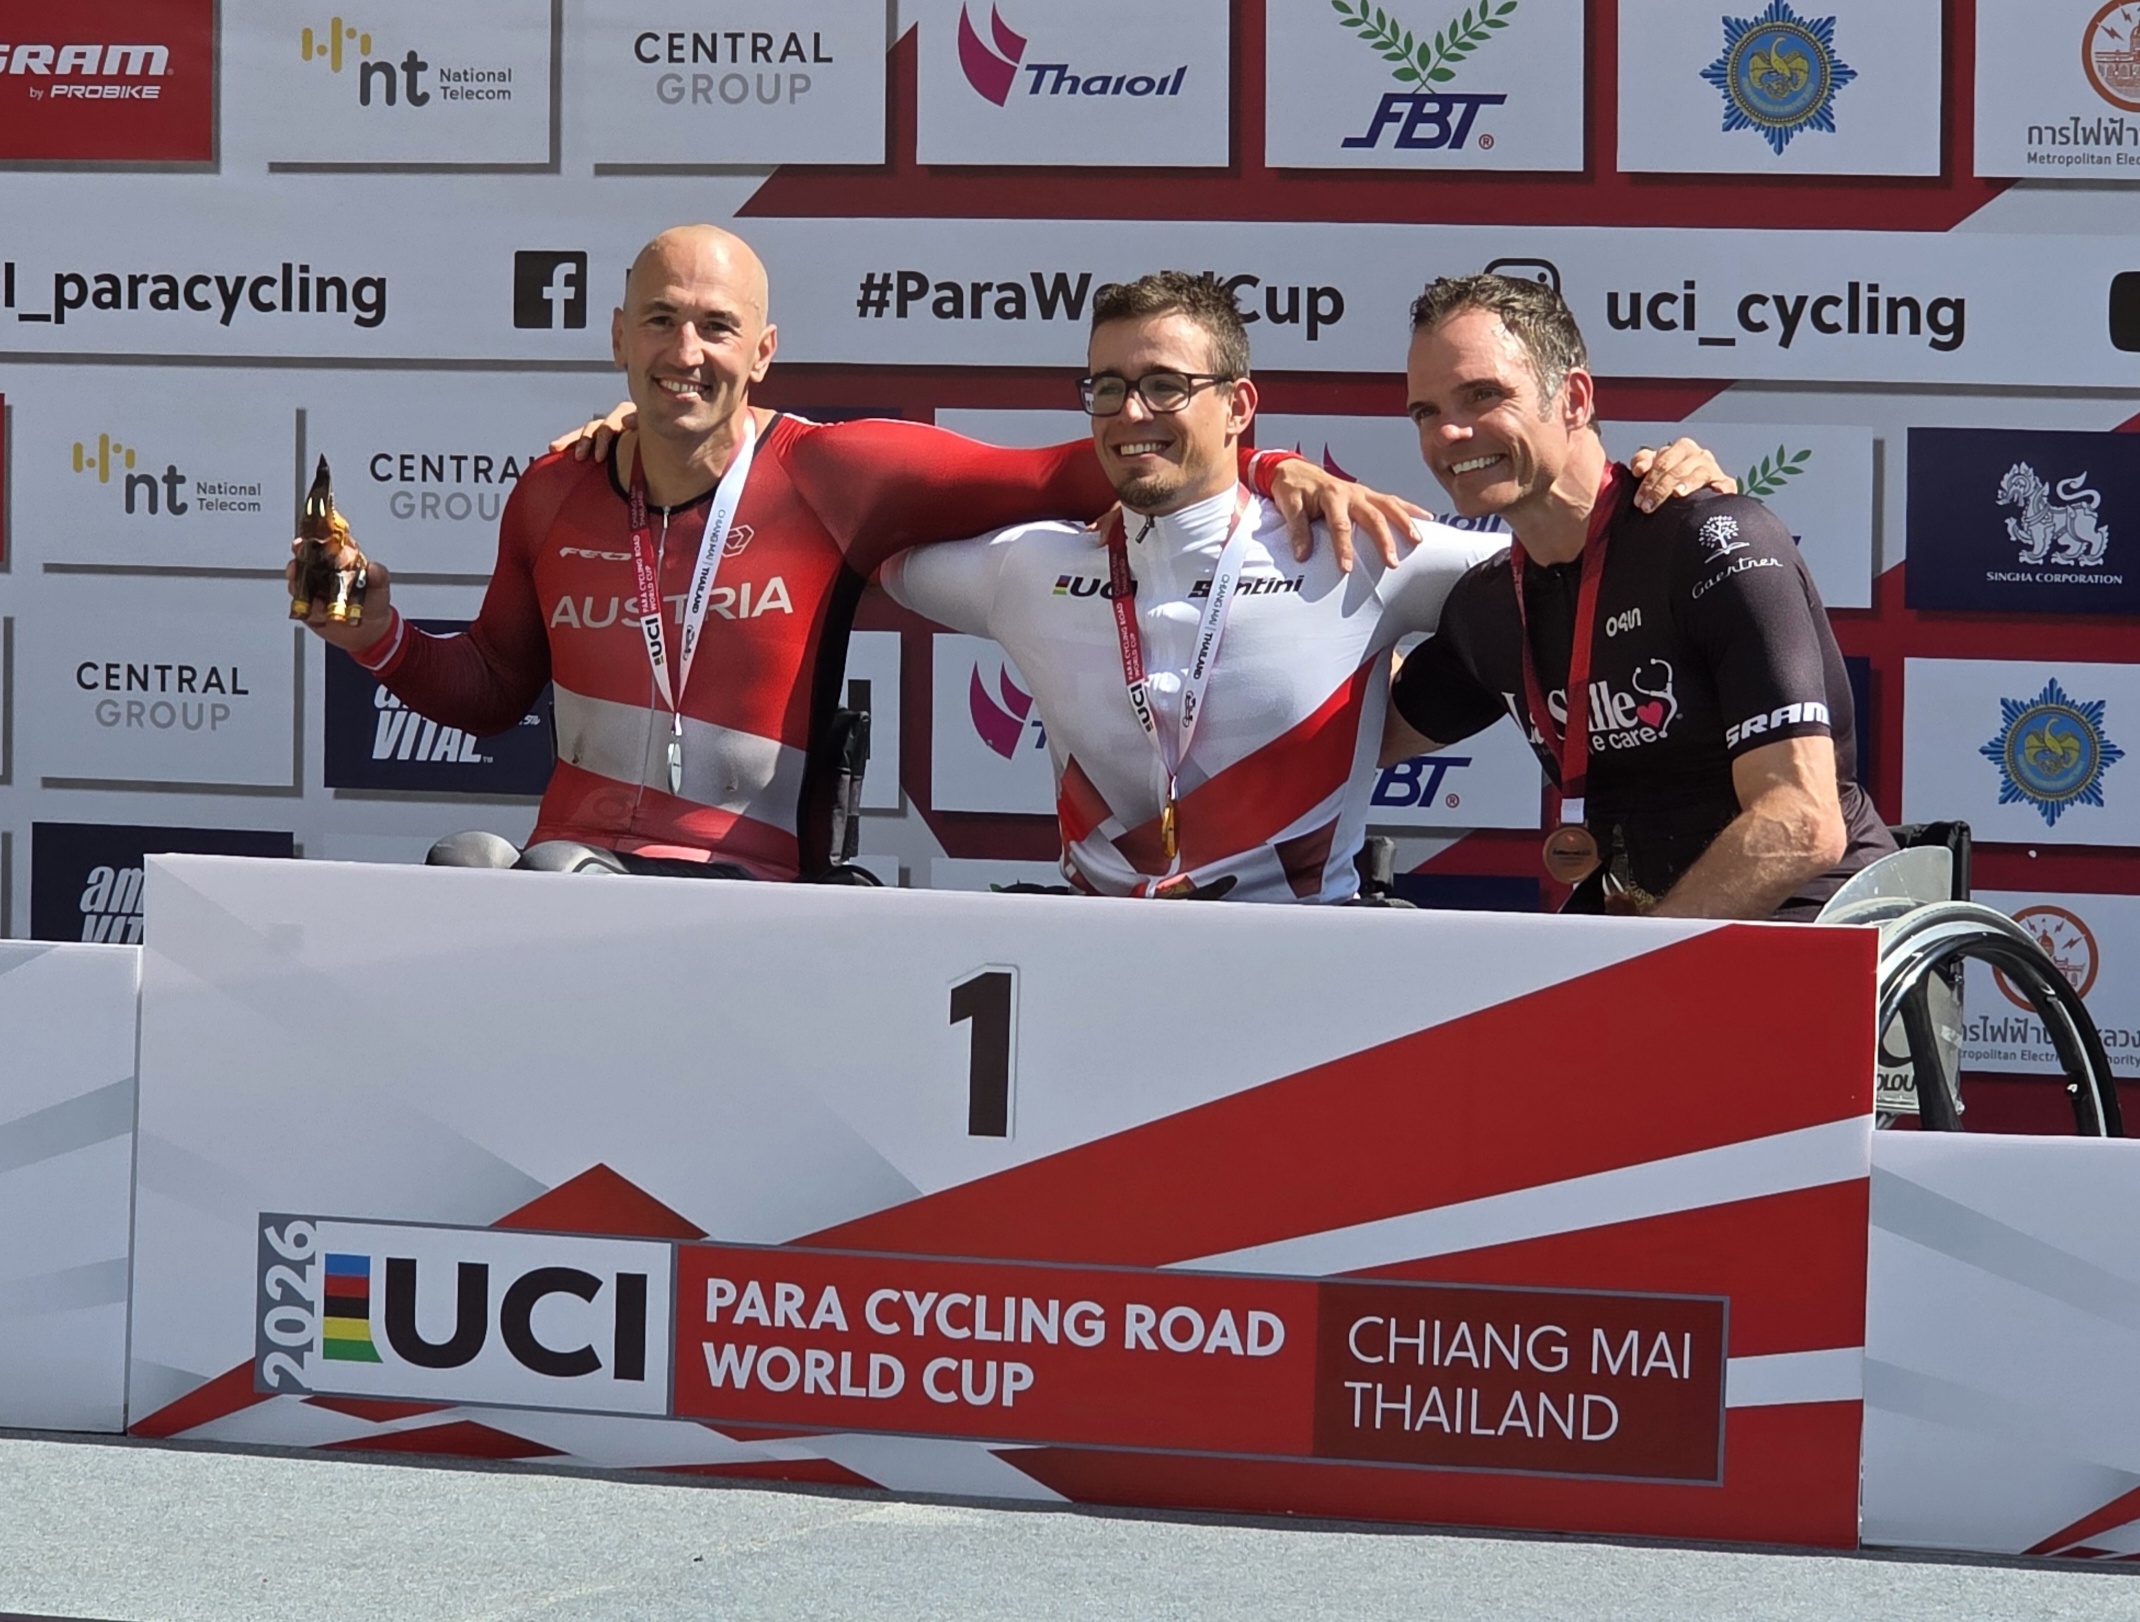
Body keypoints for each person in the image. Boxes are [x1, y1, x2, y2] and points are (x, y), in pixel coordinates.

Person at [287, 225, 1411, 880]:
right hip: (568, 871)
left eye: (717, 327)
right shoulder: (553, 489)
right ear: (619, 335)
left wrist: (1270, 466)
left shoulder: (835, 473)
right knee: (475, 867)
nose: (687, 351)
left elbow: (1093, 464)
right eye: (662, 320)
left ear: (763, 352)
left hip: (745, 896)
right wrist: (374, 635)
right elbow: (492, 690)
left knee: (527, 876)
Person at [878, 272, 1735, 902]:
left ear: (1238, 404)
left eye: (1166, 386)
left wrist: (1670, 487)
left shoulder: (1360, 544)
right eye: (1107, 389)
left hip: (1306, 961)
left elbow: (1578, 556)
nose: (1132, 411)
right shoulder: (1026, 567)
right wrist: (1132, 470)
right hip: (1089, 954)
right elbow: (855, 512)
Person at [1383, 274, 1893, 919]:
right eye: (1425, 412)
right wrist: (1284, 493)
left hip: (1819, 923)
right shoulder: (1489, 605)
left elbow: (1801, 823)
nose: (1449, 433)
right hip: (1650, 929)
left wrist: (1641, 960)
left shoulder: (1713, 541)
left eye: (1482, 395)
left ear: (1573, 398)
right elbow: (1351, 734)